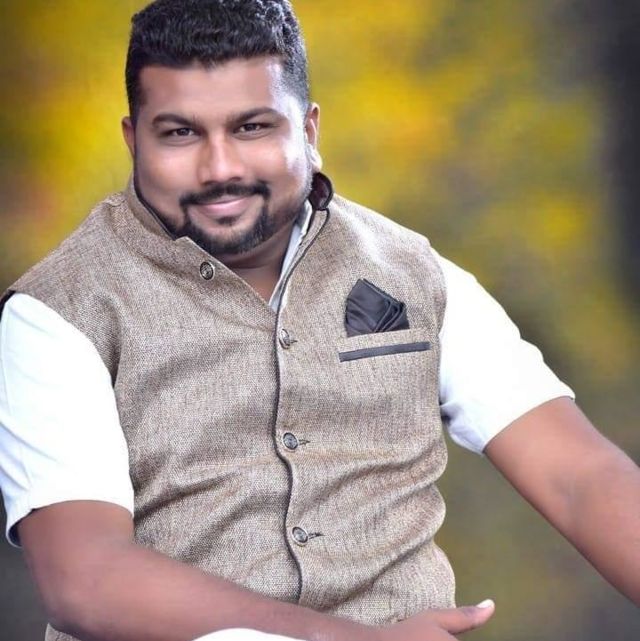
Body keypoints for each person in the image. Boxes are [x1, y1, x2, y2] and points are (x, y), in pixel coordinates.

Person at [0, 1, 638, 640]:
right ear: (133, 138)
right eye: (181, 134)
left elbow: (577, 478)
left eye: (252, 127)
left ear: (308, 128)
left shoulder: (413, 273)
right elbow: (87, 581)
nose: (220, 169)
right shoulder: (58, 313)